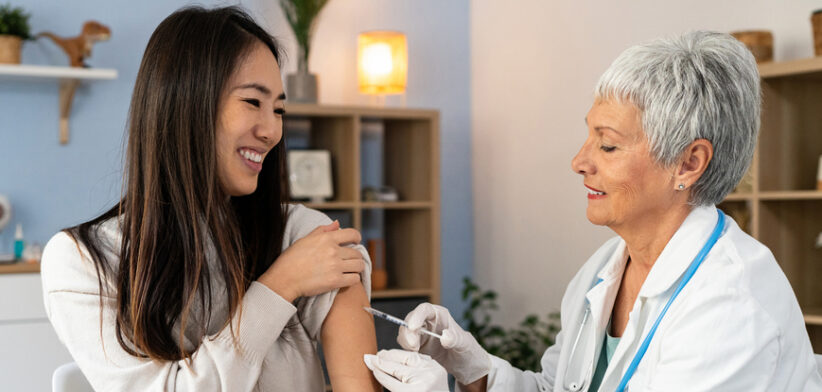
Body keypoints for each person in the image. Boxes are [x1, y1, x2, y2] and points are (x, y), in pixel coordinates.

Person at [364, 31, 822, 391]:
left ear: (689, 163)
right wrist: (475, 370)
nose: (579, 162)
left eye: (607, 144)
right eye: (589, 138)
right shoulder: (604, 270)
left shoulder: (732, 310)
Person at [40, 6, 381, 392]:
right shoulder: (84, 262)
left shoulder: (303, 235)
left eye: (279, 109)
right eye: (253, 102)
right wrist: (279, 286)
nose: (272, 130)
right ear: (185, 104)